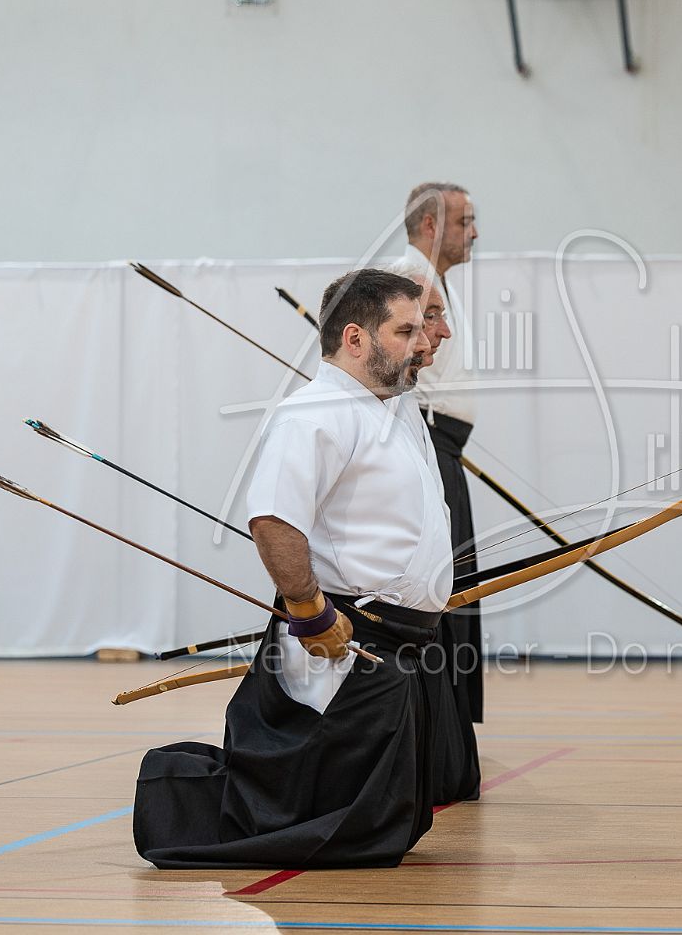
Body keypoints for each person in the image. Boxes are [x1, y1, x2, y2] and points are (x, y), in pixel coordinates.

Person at [133, 269, 456, 870]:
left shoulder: (392, 407)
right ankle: (174, 804)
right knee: (313, 815)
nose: (423, 341)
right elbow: (275, 520)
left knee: (374, 824)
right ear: (355, 338)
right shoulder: (314, 413)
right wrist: (309, 611)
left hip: (396, 642)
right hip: (341, 639)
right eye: (406, 330)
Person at [392, 182, 486, 761]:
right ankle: (432, 728)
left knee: (455, 584)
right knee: (438, 587)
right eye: (464, 221)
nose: (474, 232)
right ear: (430, 225)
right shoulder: (409, 279)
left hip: (444, 447)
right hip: (427, 443)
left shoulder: (433, 282)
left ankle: (447, 726)